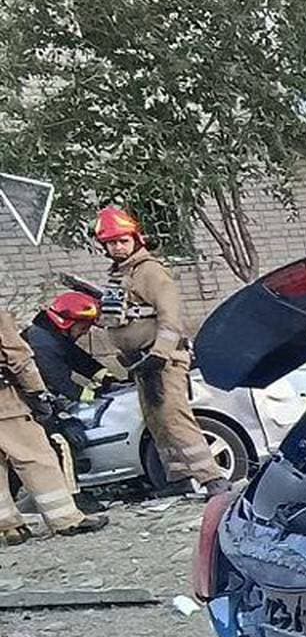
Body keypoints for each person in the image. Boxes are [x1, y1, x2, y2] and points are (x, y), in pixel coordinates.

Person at [94, 206, 226, 493]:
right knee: (156, 421)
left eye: (122, 241)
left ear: (136, 239)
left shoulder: (150, 271)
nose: (117, 247)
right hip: (140, 362)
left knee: (175, 418)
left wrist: (160, 353)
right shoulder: (120, 275)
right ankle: (177, 478)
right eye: (111, 242)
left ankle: (212, 479)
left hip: (162, 360)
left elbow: (171, 316)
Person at [0, 308, 109, 543]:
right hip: (4, 404)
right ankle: (66, 519)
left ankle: (9, 527)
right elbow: (18, 356)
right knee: (36, 457)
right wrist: (37, 393)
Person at [25, 291, 110, 401]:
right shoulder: (43, 344)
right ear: (66, 323)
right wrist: (93, 398)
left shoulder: (51, 334)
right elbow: (59, 382)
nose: (85, 333)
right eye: (83, 328)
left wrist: (105, 377)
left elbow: (77, 358)